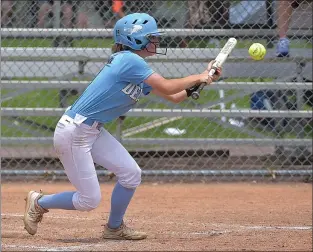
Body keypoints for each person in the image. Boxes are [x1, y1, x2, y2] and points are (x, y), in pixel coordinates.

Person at [23, 12, 222, 240]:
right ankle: (39, 202)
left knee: (131, 174)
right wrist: (200, 75)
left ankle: (114, 228)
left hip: (92, 131)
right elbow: (168, 87)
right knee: (89, 200)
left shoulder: (136, 66)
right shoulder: (128, 60)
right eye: (151, 37)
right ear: (134, 39)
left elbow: (174, 96)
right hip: (75, 131)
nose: (156, 42)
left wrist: (203, 81)